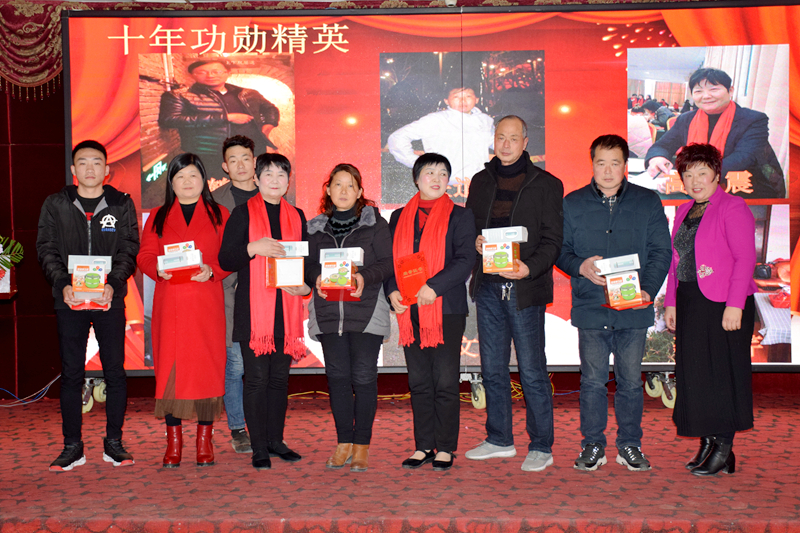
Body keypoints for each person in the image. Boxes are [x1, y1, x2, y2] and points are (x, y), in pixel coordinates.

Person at [556, 134, 671, 472]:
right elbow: (559, 250)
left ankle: (630, 445)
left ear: (625, 166)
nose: (607, 171)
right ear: (592, 164)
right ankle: (592, 444)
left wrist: (648, 289)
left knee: (630, 382)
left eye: (615, 163)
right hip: (591, 307)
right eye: (601, 163)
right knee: (591, 381)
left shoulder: (647, 201)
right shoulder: (572, 203)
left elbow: (661, 251)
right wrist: (580, 266)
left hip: (633, 308)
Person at [464, 115, 564, 472]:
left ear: (525, 142)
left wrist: (529, 268)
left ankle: (541, 445)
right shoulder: (480, 181)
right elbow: (470, 229)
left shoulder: (546, 184)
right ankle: (499, 439)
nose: (505, 145)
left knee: (532, 370)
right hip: (488, 286)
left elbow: (553, 240)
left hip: (524, 288)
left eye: (513, 138)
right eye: (500, 137)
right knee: (492, 368)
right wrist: (475, 242)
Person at [36, 140, 140, 472]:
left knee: (115, 372)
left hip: (110, 298)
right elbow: (46, 248)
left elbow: (129, 247)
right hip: (69, 298)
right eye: (83, 162)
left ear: (107, 169)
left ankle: (114, 443)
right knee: (71, 373)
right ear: (73, 169)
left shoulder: (121, 203)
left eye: (97, 162)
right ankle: (72, 446)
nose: (90, 168)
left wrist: (114, 284)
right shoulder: (55, 204)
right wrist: (62, 283)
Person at [663, 143, 757, 476]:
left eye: (702, 173)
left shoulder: (733, 207)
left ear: (717, 174)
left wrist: (735, 305)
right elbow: (676, 261)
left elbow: (745, 258)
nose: (695, 181)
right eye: (688, 175)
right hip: (691, 300)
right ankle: (709, 443)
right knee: (697, 376)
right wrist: (671, 302)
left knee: (722, 375)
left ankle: (724, 445)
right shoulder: (684, 210)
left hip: (724, 303)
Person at [137, 153, 230, 468]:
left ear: (204, 180)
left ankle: (205, 440)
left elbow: (229, 256)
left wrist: (213, 270)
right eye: (180, 176)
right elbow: (144, 255)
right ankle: (173, 442)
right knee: (170, 374)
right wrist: (156, 269)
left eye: (193, 175)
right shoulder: (158, 216)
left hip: (206, 302)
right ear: (171, 182)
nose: (187, 182)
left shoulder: (220, 214)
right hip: (171, 304)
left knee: (207, 371)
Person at [219, 153, 310, 470]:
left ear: (288, 181)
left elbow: (307, 261)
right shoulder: (242, 213)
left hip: (286, 309)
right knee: (256, 379)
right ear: (257, 179)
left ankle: (276, 440)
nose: (275, 180)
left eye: (281, 175)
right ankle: (258, 446)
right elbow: (226, 259)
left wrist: (306, 286)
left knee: (279, 380)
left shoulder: (297, 215)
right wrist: (252, 248)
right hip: (253, 312)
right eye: (268, 174)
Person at [385, 153, 476, 472]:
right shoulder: (398, 217)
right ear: (416, 178)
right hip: (410, 310)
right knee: (419, 381)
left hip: (445, 310)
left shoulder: (461, 216)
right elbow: (389, 262)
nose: (436, 179)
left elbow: (466, 259)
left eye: (442, 173)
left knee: (446, 381)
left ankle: (446, 447)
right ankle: (423, 445)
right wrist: (391, 291)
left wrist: (434, 287)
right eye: (429, 172)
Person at [306, 164, 393, 473]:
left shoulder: (376, 224)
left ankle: (361, 446)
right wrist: (315, 277)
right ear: (328, 190)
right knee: (338, 378)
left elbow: (387, 263)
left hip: (366, 311)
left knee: (365, 377)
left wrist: (362, 278)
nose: (343, 191)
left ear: (359, 192)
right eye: (338, 185)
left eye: (350, 185)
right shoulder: (314, 228)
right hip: (329, 313)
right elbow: (306, 265)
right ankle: (343, 442)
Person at [646, 68, 785, 199]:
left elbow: (742, 158)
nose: (706, 96)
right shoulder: (685, 119)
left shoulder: (753, 119)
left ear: (730, 90)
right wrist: (657, 158)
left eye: (714, 89)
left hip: (746, 190)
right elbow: (663, 145)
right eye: (698, 91)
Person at [211, 135, 259, 455]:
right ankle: (238, 427)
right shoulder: (214, 202)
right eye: (233, 160)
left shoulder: (271, 193)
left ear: (254, 162)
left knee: (262, 365)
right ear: (225, 167)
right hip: (228, 292)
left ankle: (263, 425)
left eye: (246, 158)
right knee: (236, 365)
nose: (240, 165)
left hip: (266, 292)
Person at [158, 59, 280, 180]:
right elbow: (170, 120)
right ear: (192, 75)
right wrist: (226, 118)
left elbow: (270, 108)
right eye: (202, 72)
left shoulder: (248, 93)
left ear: (228, 72)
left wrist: (268, 126)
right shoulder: (179, 95)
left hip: (252, 150)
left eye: (217, 71)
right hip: (210, 155)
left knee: (251, 184)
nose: (210, 75)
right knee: (216, 187)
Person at [387, 86, 495, 185]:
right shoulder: (435, 119)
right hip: (445, 183)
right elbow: (397, 138)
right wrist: (418, 163)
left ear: (476, 99)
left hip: (479, 183)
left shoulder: (485, 121)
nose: (463, 101)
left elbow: (496, 144)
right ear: (446, 101)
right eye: (456, 97)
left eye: (468, 96)